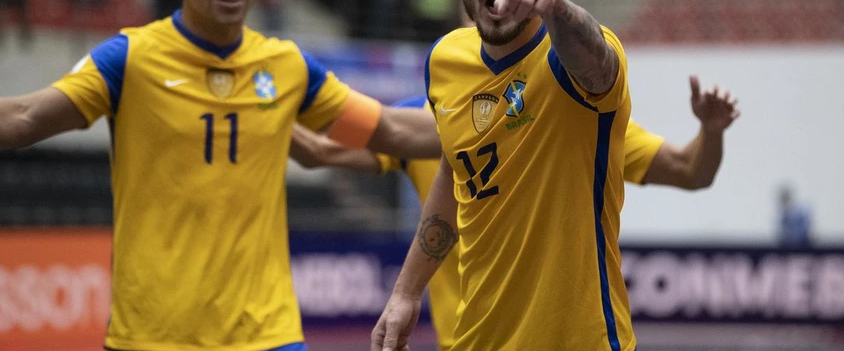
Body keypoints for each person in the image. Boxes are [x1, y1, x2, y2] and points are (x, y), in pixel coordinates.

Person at [0, 0, 441, 351]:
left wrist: (502, 129)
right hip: (153, 337)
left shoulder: (287, 68)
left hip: (267, 335)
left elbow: (389, 130)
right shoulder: (129, 59)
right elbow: (24, 117)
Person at [370, 0, 634, 350]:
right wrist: (407, 292)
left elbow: (597, 64)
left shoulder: (571, 57)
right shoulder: (444, 61)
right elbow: (457, 170)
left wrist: (556, 10)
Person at [291, 75, 740, 350]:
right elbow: (320, 152)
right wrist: (267, 113)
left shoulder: (581, 120)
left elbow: (689, 170)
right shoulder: (427, 122)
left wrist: (711, 132)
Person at [777, 183, 812, 249]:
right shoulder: (783, 216)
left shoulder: (801, 212)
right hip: (787, 246)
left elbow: (803, 231)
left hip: (803, 245)